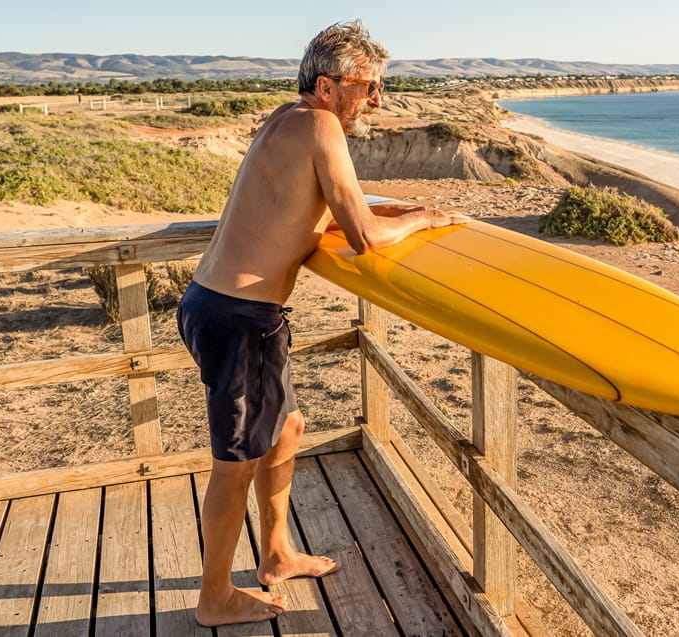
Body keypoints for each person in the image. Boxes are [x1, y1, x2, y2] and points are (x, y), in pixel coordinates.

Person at [176, 20, 469, 627]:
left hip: (213, 304)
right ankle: (215, 599)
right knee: (234, 468)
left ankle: (277, 553)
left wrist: (405, 208)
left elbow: (336, 205)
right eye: (370, 86)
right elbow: (362, 236)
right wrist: (427, 220)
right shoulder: (322, 124)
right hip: (241, 320)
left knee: (286, 428)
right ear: (331, 86)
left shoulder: (286, 117)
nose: (377, 99)